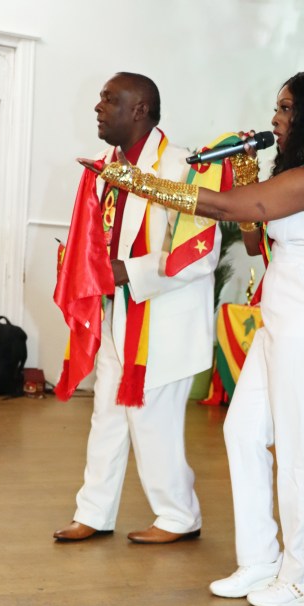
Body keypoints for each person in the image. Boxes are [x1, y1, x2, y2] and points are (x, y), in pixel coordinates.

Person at [83, 68, 304, 606]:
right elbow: (251, 235)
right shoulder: (301, 175)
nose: (275, 118)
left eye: (286, 109)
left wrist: (139, 182)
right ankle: (261, 561)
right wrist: (244, 175)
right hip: (282, 320)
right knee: (243, 433)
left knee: (301, 452)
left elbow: (227, 210)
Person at [54, 72, 221, 544]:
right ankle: (94, 510)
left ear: (140, 109)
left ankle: (178, 516)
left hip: (161, 317)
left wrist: (128, 271)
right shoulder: (109, 165)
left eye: (110, 99)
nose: (98, 106)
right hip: (116, 313)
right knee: (106, 414)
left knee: (152, 421)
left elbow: (202, 252)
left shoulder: (184, 166)